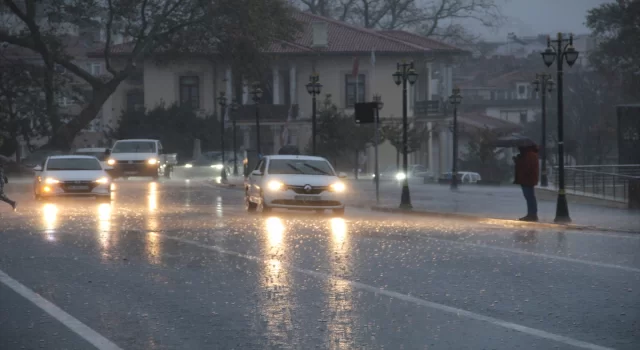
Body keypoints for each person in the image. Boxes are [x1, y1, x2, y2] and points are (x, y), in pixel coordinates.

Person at [513, 145, 539, 221]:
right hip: (528, 179)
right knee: (529, 197)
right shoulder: (530, 155)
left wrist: (518, 160)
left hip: (527, 179)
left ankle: (532, 215)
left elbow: (525, 167)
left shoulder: (529, 155)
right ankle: (531, 214)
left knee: (529, 197)